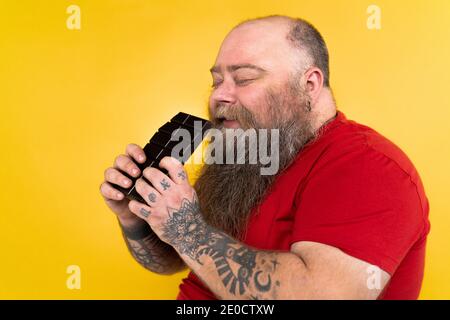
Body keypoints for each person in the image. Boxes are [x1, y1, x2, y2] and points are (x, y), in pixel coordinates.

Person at [99, 15, 430, 300]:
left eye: (244, 79)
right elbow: (179, 260)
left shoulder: (369, 166)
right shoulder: (245, 154)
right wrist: (138, 216)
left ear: (309, 84)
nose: (219, 95)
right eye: (217, 81)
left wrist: (186, 229)